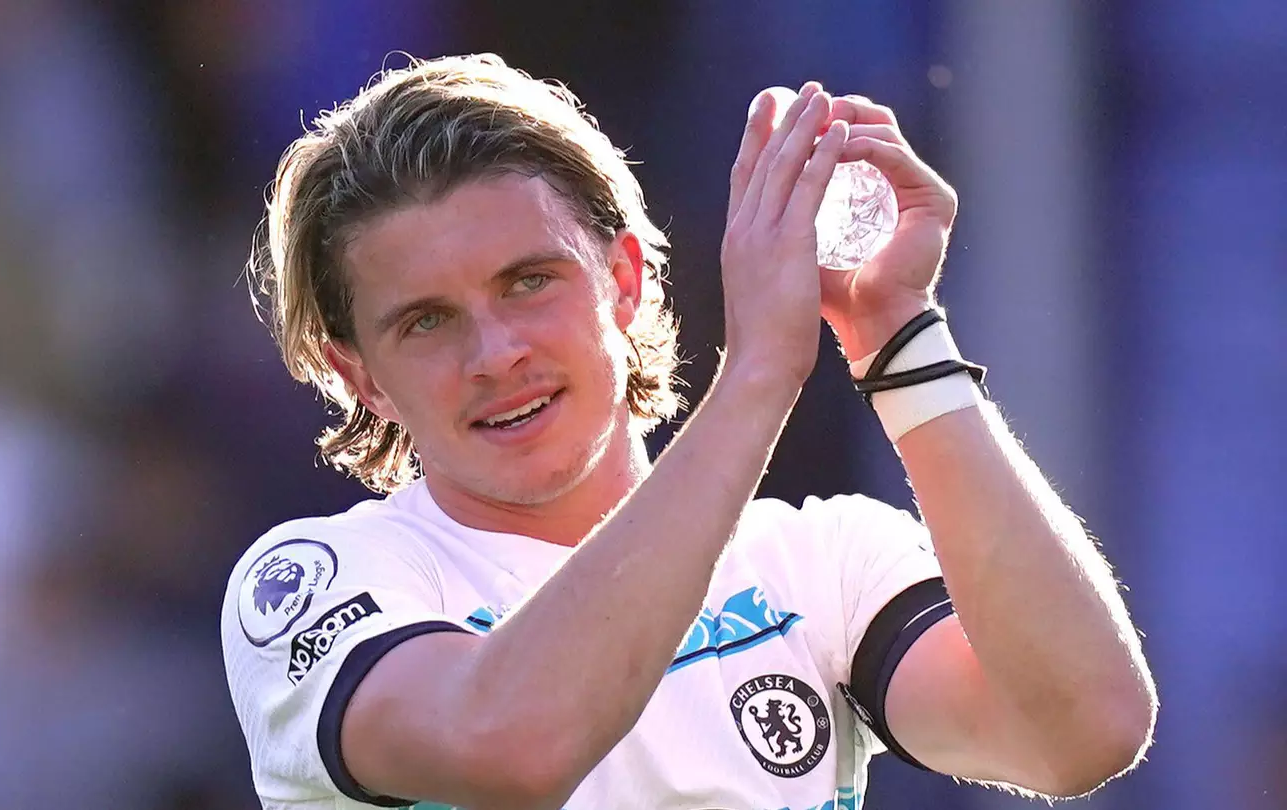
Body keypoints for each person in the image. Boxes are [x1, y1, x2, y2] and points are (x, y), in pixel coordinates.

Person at [222, 53, 1157, 810]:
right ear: (356, 375)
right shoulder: (317, 582)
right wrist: (756, 375)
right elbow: (511, 745)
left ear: (624, 281)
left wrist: (898, 338)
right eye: (426, 321)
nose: (496, 352)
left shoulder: (819, 559)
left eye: (529, 281)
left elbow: (1083, 732)